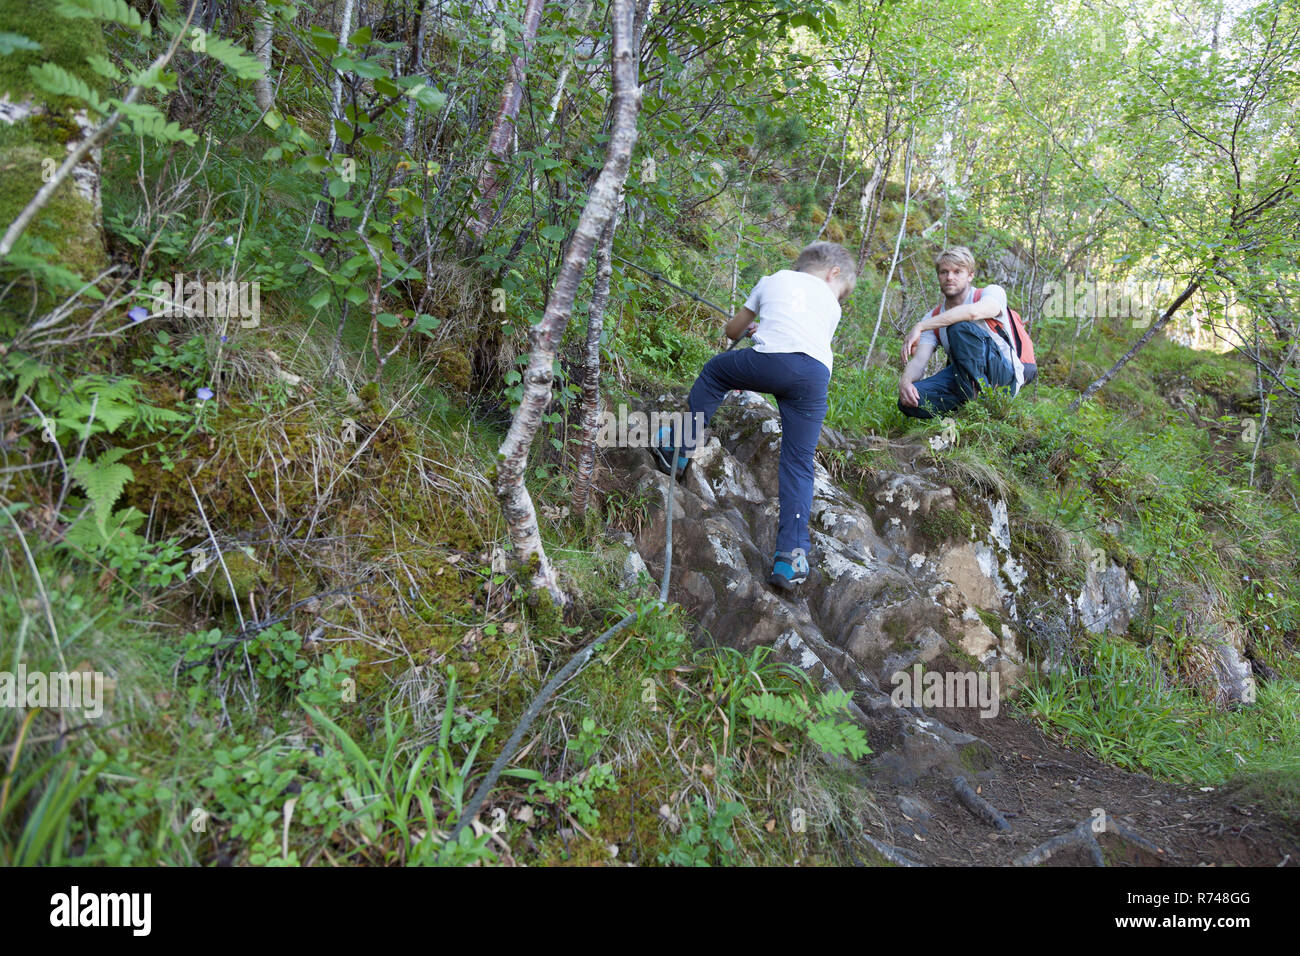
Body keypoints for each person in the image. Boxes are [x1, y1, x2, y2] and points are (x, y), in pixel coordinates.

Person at [653, 241, 856, 591]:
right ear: (832, 272)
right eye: (841, 292)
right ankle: (790, 557)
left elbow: (733, 332)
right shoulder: (831, 307)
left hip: (772, 361)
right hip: (815, 377)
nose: (838, 298)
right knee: (799, 463)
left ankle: (677, 448)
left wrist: (753, 330)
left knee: (716, 372)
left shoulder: (773, 279)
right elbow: (803, 338)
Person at [898, 246, 1036, 419]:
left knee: (959, 327)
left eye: (957, 272)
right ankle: (964, 409)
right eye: (944, 272)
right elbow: (919, 362)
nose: (950, 277)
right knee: (910, 399)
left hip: (1004, 376)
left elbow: (973, 313)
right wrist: (905, 383)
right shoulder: (932, 317)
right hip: (962, 379)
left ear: (970, 275)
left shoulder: (991, 293)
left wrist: (920, 325)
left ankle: (982, 406)